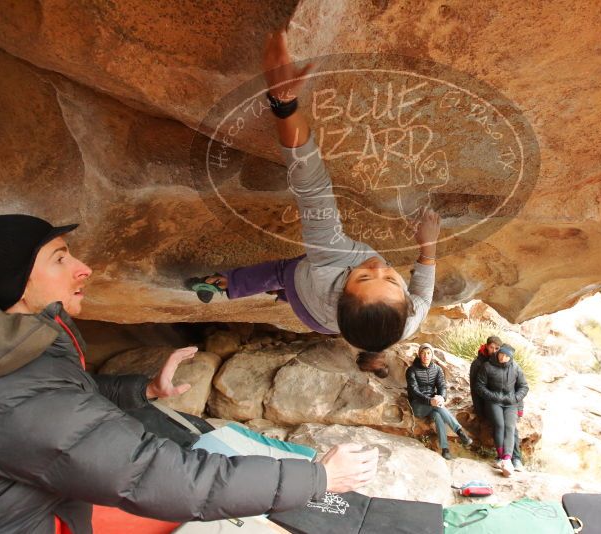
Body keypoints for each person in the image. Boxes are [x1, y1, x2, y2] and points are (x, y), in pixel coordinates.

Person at [0, 214, 378, 533]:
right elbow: (157, 476)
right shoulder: (13, 393)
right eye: (60, 258)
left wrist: (143, 388)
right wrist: (318, 477)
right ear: (16, 284)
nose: (84, 267)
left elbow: (67, 396)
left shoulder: (3, 354)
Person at [187, 31, 440, 376]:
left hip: (308, 295)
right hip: (319, 321)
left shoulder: (328, 262)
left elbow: (312, 187)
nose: (378, 264)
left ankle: (235, 283)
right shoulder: (406, 320)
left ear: (342, 289)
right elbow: (423, 291)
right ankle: (252, 289)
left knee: (282, 272)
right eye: (393, 280)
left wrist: (284, 106)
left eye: (364, 277)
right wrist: (428, 249)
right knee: (285, 285)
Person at [406, 343, 473, 459]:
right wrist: (429, 401)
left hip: (434, 404)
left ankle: (445, 449)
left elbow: (442, 386)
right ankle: (460, 432)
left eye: (428, 353)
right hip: (418, 406)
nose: (426, 356)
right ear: (419, 354)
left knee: (438, 415)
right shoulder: (411, 370)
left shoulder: (437, 369)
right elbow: (413, 391)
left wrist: (442, 397)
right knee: (438, 407)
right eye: (423, 353)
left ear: (432, 355)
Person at [470, 338, 526, 471]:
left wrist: (519, 406)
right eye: (492, 348)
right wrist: (479, 410)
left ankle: (515, 458)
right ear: (486, 347)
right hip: (489, 401)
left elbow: (519, 386)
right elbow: (475, 388)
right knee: (499, 425)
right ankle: (503, 457)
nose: (495, 351)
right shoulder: (480, 363)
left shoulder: (514, 366)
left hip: (508, 403)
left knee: (512, 428)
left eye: (497, 349)